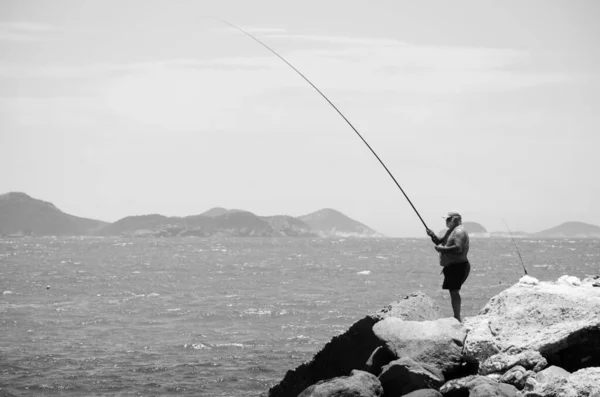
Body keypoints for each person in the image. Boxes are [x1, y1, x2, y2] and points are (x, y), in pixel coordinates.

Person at [426, 211, 470, 322]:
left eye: (448, 219)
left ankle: (457, 317)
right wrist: (432, 235)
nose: (446, 221)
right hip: (451, 267)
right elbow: (438, 241)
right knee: (452, 291)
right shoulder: (450, 231)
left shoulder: (459, 231)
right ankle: (456, 316)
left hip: (458, 266)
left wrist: (442, 249)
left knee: (454, 291)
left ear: (455, 219)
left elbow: (458, 248)